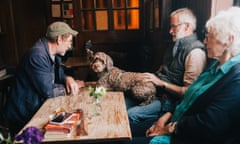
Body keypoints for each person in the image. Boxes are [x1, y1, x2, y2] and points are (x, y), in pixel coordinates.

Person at [143, 6, 240, 144]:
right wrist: (165, 118)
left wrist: (167, 129)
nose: (205, 41)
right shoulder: (216, 65)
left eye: (209, 36)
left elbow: (207, 124)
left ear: (229, 40)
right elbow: (189, 99)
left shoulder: (236, 79)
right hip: (173, 120)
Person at [127, 8, 207, 136]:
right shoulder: (174, 45)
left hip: (168, 102)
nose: (170, 31)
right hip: (155, 93)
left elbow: (189, 93)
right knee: (123, 101)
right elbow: (162, 70)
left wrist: (161, 83)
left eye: (174, 27)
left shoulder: (195, 53)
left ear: (186, 26)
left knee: (129, 115)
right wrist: (147, 78)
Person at [0, 21, 85, 136]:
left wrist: (68, 79)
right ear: (59, 39)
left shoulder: (52, 53)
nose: (70, 46)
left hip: (35, 108)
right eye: (69, 41)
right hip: (24, 115)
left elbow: (59, 75)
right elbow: (48, 92)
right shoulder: (37, 55)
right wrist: (69, 88)